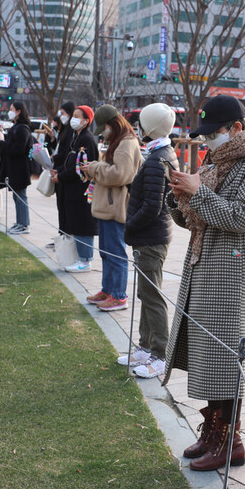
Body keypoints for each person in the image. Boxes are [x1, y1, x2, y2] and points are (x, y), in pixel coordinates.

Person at [163, 95, 245, 472]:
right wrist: (179, 200)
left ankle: (230, 440)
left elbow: (240, 217)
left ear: (237, 129)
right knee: (210, 358)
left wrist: (197, 192)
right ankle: (214, 433)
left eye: (214, 134)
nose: (208, 141)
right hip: (205, 268)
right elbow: (200, 219)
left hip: (235, 279)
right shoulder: (216, 162)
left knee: (227, 361)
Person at [117, 103, 177, 377]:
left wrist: (129, 227)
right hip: (151, 237)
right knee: (145, 293)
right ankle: (145, 345)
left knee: (152, 296)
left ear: (149, 128)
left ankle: (160, 354)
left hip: (151, 238)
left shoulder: (157, 159)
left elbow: (152, 207)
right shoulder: (159, 153)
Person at [80, 105, 141, 310]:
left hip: (116, 206)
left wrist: (95, 167)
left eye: (103, 128)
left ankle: (118, 294)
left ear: (111, 124)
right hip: (108, 205)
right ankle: (108, 289)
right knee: (106, 251)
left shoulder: (126, 143)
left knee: (115, 252)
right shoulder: (120, 141)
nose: (103, 133)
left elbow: (120, 174)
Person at [53, 104, 98, 264]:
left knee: (82, 224)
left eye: (78, 117)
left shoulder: (86, 139)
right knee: (75, 223)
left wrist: (61, 176)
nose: (73, 119)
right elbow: (68, 160)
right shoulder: (76, 137)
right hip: (71, 190)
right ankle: (79, 258)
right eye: (74, 115)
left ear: (86, 121)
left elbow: (79, 168)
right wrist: (57, 170)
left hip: (81, 190)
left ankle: (85, 259)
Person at [0, 101, 37, 233]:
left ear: (18, 111)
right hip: (14, 168)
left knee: (21, 196)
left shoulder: (22, 128)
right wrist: (2, 147)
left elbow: (18, 149)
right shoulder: (16, 127)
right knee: (16, 196)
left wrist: (2, 144)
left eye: (12, 109)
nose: (10, 111)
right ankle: (20, 222)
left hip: (20, 168)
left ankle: (24, 224)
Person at [48, 101, 77, 248]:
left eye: (64, 113)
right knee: (61, 207)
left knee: (65, 208)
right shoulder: (64, 130)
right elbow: (59, 149)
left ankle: (65, 235)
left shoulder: (72, 131)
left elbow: (66, 153)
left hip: (64, 172)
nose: (62, 116)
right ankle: (62, 234)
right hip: (59, 169)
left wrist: (57, 160)